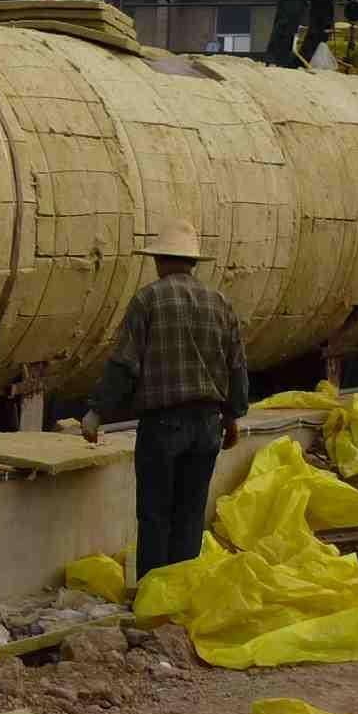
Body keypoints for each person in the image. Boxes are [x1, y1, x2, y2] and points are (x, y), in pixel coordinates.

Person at [81, 216, 248, 578]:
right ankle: (181, 591)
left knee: (155, 514)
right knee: (190, 513)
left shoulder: (147, 300)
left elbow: (125, 364)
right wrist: (233, 416)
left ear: (159, 260)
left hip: (162, 425)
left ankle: (154, 595)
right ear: (192, 262)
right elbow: (236, 366)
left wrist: (96, 412)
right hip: (207, 426)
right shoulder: (220, 303)